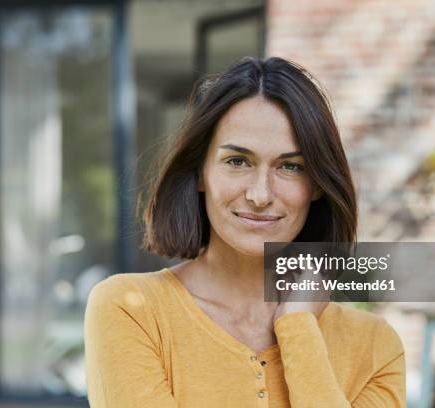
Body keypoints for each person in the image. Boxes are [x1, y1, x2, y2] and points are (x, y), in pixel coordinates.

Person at [84, 56, 406, 407]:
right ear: (200, 173)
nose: (259, 195)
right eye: (237, 161)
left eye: (290, 166)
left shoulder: (376, 347)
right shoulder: (131, 309)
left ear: (317, 185)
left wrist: (299, 328)